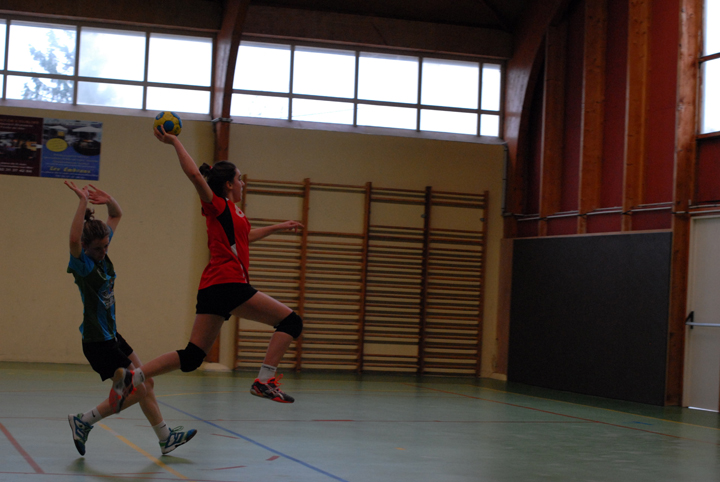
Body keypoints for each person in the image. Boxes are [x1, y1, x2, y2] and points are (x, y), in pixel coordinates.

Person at [108, 127, 304, 412]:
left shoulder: (236, 214)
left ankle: (132, 377)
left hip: (213, 288)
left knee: (192, 357)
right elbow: (194, 175)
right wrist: (175, 141)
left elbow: (244, 238)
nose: (243, 184)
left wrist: (277, 227)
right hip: (228, 283)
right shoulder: (218, 206)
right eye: (239, 179)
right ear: (229, 184)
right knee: (291, 322)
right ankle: (265, 380)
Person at [65, 181, 196, 456]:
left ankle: (165, 438)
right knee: (137, 388)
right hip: (98, 343)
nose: (104, 252)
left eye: (106, 246)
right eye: (98, 248)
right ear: (87, 247)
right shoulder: (83, 265)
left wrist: (109, 198)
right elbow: (74, 240)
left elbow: (116, 214)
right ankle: (84, 421)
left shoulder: (101, 254)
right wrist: (82, 202)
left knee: (147, 381)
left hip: (112, 336)